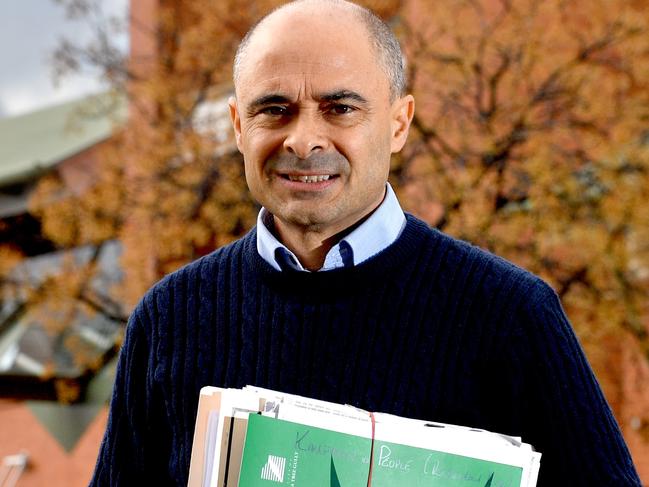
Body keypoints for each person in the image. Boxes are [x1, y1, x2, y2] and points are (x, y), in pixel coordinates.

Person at [89, 0, 641, 485]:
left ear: (399, 124)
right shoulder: (169, 318)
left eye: (341, 108)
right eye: (274, 109)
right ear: (238, 126)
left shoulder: (512, 313)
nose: (303, 140)